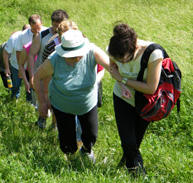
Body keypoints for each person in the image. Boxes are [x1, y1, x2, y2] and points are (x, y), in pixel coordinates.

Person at [33, 29, 110, 161]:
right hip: (62, 105)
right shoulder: (55, 59)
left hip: (87, 103)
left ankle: (86, 150)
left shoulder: (92, 51)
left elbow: (112, 67)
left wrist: (125, 81)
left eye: (79, 55)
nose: (78, 58)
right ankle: (71, 160)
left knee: (91, 135)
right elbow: (37, 78)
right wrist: (42, 103)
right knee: (66, 139)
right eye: (73, 56)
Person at [107, 23, 164, 175]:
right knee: (128, 141)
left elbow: (151, 87)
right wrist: (120, 83)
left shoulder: (153, 54)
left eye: (125, 60)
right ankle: (140, 175)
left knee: (135, 141)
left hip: (145, 101)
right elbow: (113, 67)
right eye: (120, 61)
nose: (122, 63)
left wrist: (123, 80)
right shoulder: (114, 49)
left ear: (134, 48)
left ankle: (126, 162)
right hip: (121, 97)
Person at [28, 9, 69, 129]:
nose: (57, 29)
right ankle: (41, 121)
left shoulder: (70, 36)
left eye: (60, 26)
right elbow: (31, 55)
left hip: (59, 77)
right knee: (43, 100)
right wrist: (32, 76)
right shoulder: (42, 35)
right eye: (55, 26)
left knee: (57, 102)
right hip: (43, 75)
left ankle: (55, 125)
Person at [4, 22, 43, 101]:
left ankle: (30, 102)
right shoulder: (15, 38)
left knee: (30, 85)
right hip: (16, 66)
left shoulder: (37, 36)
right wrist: (7, 67)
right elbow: (6, 52)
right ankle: (14, 99)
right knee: (16, 84)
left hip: (31, 67)